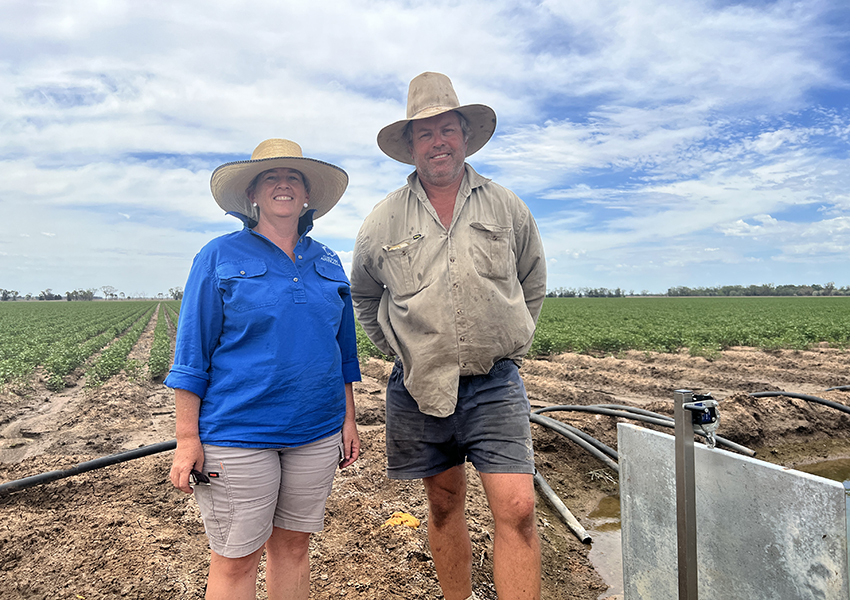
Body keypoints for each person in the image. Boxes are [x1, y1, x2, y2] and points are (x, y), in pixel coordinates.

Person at [350, 72, 547, 600]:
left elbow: (533, 277)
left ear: (464, 135)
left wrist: (514, 338)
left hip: (494, 383)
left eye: (447, 129)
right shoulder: (382, 220)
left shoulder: (506, 206)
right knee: (442, 503)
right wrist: (399, 350)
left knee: (519, 510)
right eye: (424, 133)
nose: (437, 142)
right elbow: (366, 296)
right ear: (411, 146)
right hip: (420, 387)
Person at [165, 139, 361, 600]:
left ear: (308, 196)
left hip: (315, 431)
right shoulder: (219, 256)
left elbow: (343, 350)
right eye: (271, 176)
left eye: (294, 177)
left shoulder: (328, 261)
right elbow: (192, 353)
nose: (284, 184)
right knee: (236, 560)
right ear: (252, 194)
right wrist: (187, 438)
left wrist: (348, 418)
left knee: (293, 548)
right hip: (238, 432)